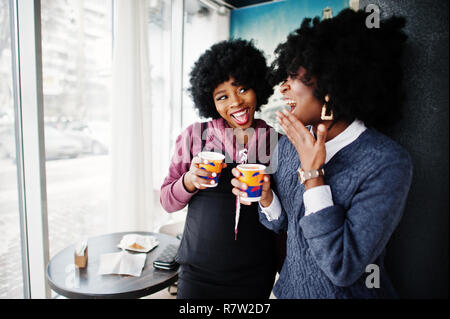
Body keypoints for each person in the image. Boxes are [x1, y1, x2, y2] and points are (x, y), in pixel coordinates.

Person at [231, 8, 413, 298]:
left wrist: (313, 177)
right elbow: (283, 224)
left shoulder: (386, 162)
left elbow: (343, 267)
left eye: (293, 75)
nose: (283, 86)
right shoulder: (290, 142)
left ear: (330, 81)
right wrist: (266, 197)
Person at [160, 39, 279, 299]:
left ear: (257, 86)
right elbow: (167, 201)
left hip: (255, 272)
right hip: (198, 273)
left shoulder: (274, 140)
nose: (235, 102)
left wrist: (268, 197)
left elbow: (282, 219)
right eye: (222, 96)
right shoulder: (193, 136)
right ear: (209, 101)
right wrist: (189, 181)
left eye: (243, 88)